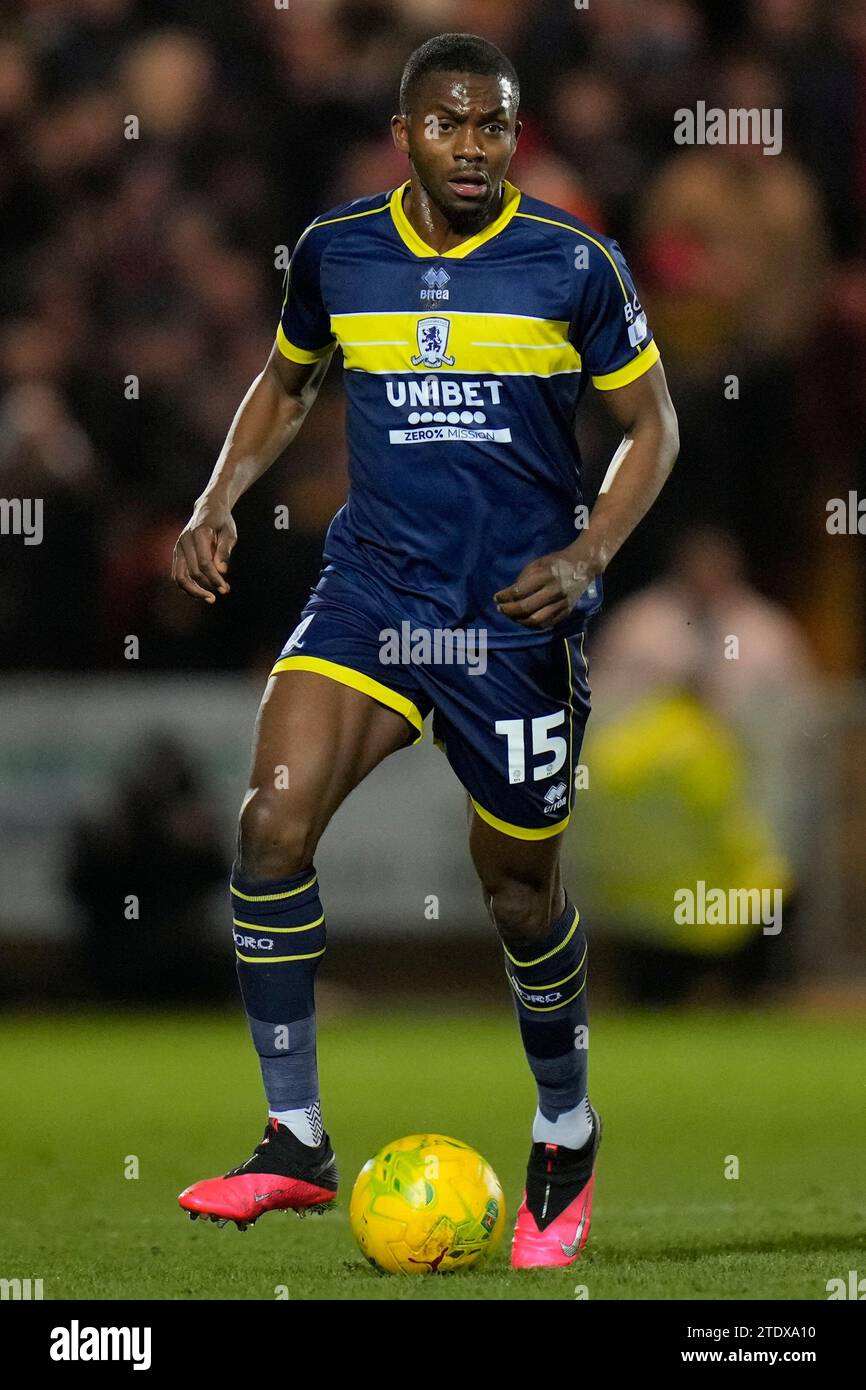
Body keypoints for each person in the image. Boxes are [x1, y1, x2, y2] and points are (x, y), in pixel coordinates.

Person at [171, 32, 678, 1267]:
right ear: (404, 133)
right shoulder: (337, 250)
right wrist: (217, 495)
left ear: (515, 136)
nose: (472, 146)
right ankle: (294, 1136)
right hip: (373, 590)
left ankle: (564, 1125)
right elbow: (289, 381)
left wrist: (588, 554)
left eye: (493, 126)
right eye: (448, 125)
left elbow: (650, 425)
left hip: (514, 615)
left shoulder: (572, 263)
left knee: (516, 893)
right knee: (270, 823)